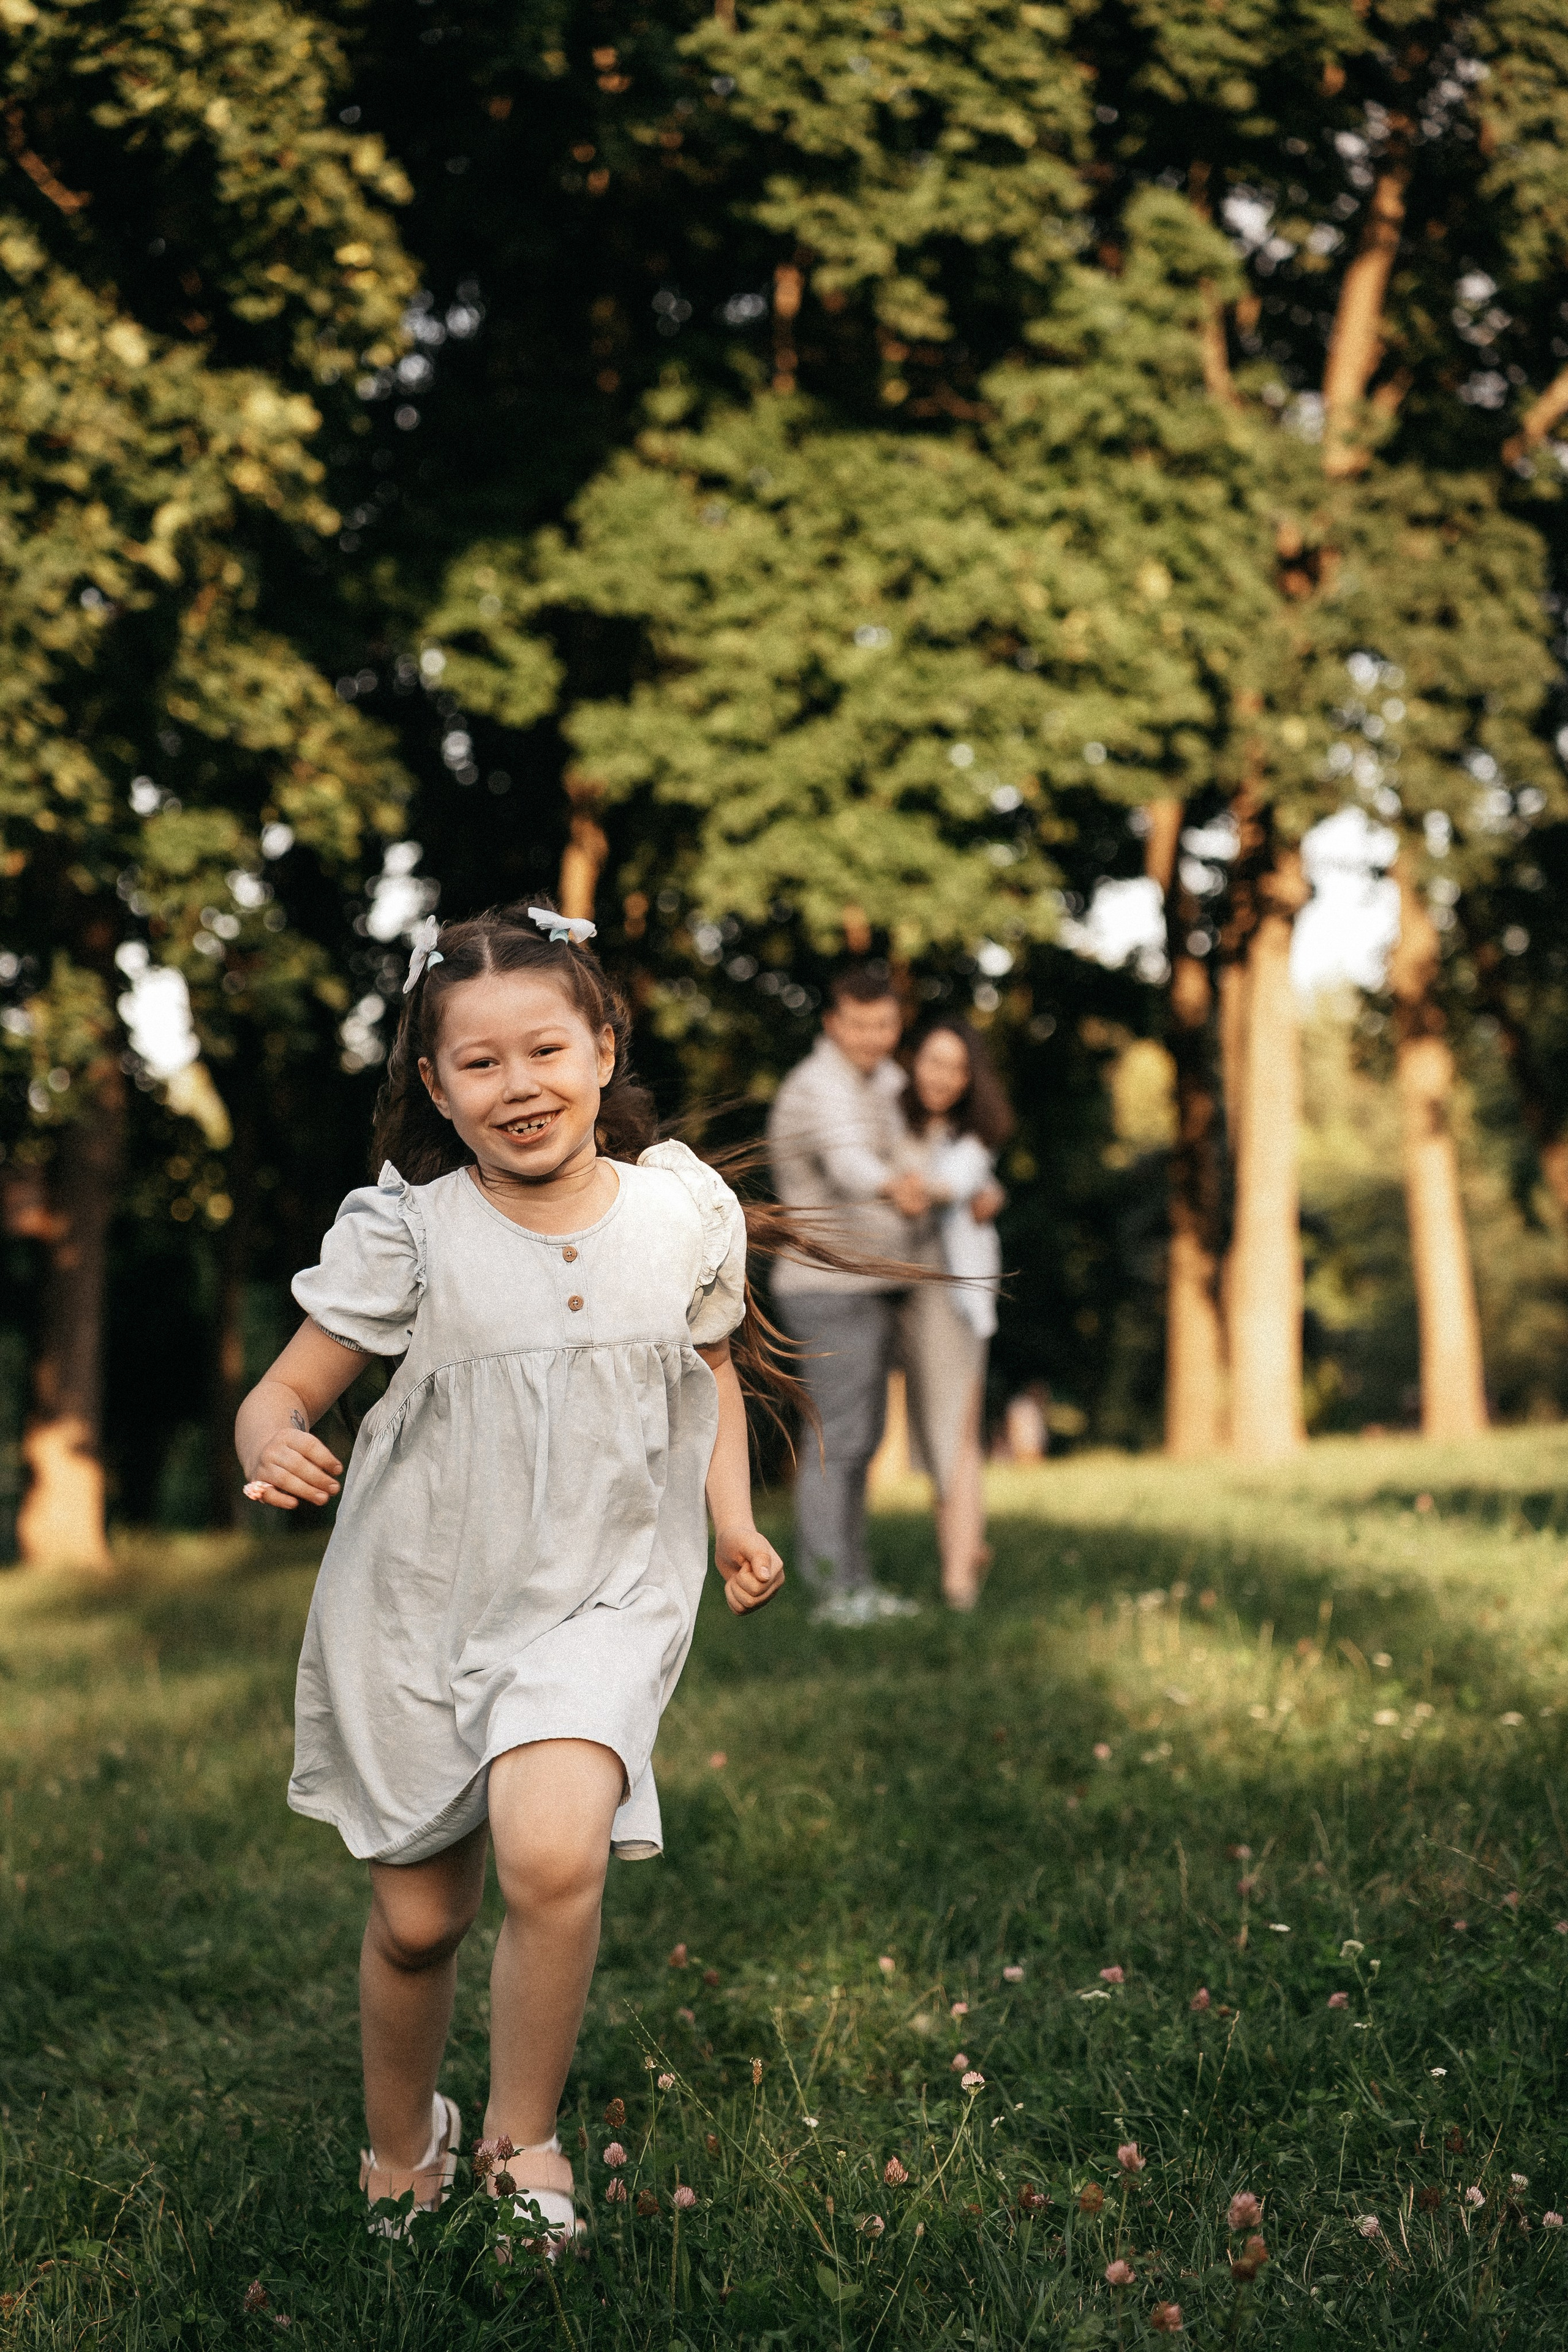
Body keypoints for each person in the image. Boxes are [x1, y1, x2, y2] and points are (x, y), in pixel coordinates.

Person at [233, 902, 804, 2247]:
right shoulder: (411, 1232)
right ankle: (402, 2146)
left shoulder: (679, 1212)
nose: (517, 1085)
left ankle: (519, 2142)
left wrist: (727, 1520)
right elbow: (285, 1388)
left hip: (600, 1593)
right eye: (477, 1064)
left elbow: (708, 1364)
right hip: (417, 1605)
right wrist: (274, 1441)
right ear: (434, 1086)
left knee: (553, 1855)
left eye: (543, 1049)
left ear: (603, 1049)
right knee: (421, 1921)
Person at [767, 967, 930, 1627]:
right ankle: (832, 1590)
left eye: (884, 1025)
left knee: (861, 1438)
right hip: (822, 1288)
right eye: (859, 1025)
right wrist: (898, 1186)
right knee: (838, 1439)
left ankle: (854, 1583)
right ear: (833, 1024)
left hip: (866, 1285)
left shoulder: (883, 1080)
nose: (871, 1037)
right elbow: (848, 1163)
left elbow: (924, 1129)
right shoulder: (818, 1087)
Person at [892, 1019, 1012, 1610]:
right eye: (934, 1061)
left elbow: (959, 1182)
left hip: (954, 1295)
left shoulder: (971, 1140)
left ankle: (958, 1579)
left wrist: (923, 1190)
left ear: (970, 1080)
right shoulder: (900, 1118)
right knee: (947, 1431)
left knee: (952, 1433)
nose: (942, 1076)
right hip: (912, 1291)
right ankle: (968, 1546)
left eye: (956, 1068)